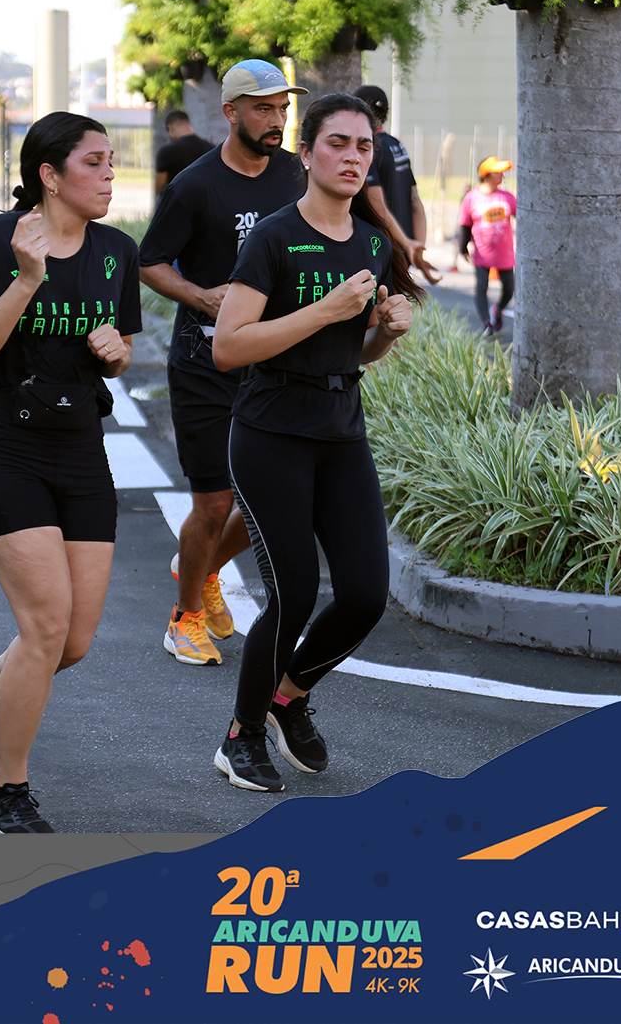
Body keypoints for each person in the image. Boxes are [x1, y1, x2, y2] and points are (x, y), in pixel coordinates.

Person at [211, 93, 424, 792]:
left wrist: (383, 332)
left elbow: (353, 351)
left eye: (364, 146)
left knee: (365, 593)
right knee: (294, 592)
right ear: (305, 154)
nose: (352, 157)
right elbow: (229, 347)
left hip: (340, 429)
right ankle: (241, 736)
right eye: (337, 143)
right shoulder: (274, 237)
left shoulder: (371, 242)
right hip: (270, 431)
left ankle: (289, 694)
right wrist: (325, 310)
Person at [0, 111, 142, 833]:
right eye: (94, 162)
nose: (110, 174)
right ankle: (6, 795)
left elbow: (119, 352)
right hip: (7, 447)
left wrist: (117, 353)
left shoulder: (117, 251)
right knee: (46, 625)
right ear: (49, 176)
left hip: (82, 449)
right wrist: (27, 280)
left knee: (71, 642)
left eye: (112, 161)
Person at [138, 59, 308, 666]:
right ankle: (184, 617)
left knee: (270, 497)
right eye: (263, 109)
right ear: (231, 113)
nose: (276, 120)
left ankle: (202, 566)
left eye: (282, 109)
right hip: (204, 362)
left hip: (273, 361)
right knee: (213, 503)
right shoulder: (196, 185)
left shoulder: (294, 173)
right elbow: (150, 262)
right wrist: (200, 296)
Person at [352, 84, 441, 285]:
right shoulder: (397, 145)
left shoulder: (369, 148)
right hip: (401, 255)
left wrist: (407, 243)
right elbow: (416, 203)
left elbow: (378, 206)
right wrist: (416, 248)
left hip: (379, 252)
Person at [457, 156, 517, 334]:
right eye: (498, 172)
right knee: (481, 287)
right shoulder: (471, 198)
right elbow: (464, 225)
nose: (502, 176)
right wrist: (463, 248)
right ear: (487, 175)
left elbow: (521, 216)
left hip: (505, 253)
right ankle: (486, 323)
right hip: (482, 253)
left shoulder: (507, 197)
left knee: (509, 289)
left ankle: (498, 309)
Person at [154, 110, 213, 199]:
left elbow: (159, 187)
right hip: (205, 203)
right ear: (190, 125)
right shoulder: (211, 148)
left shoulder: (166, 151)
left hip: (176, 203)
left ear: (170, 128)